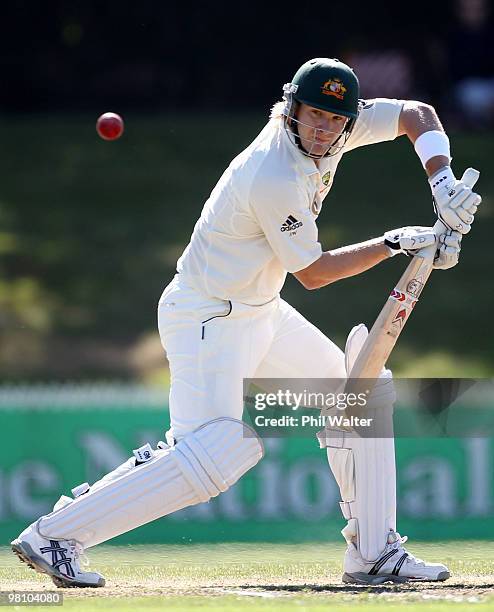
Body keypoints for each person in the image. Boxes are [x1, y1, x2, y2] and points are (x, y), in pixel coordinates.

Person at [12, 57, 481, 587]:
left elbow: (416, 114)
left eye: (335, 119)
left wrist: (441, 180)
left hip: (260, 309)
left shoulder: (336, 129)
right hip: (208, 315)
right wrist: (396, 242)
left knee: (359, 397)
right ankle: (55, 535)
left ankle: (375, 554)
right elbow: (315, 273)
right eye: (313, 115)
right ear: (290, 110)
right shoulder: (272, 171)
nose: (324, 130)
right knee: (216, 452)